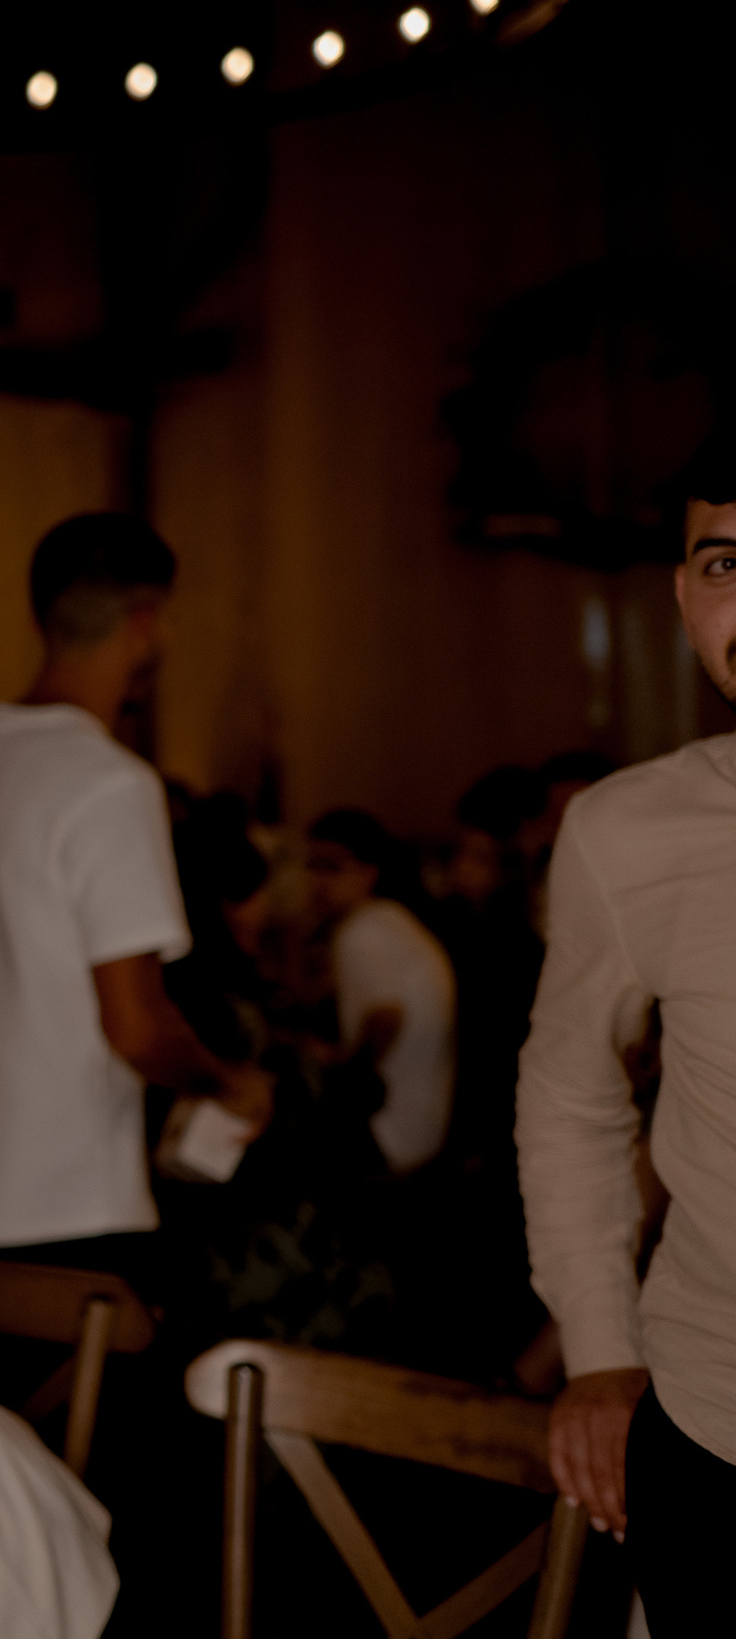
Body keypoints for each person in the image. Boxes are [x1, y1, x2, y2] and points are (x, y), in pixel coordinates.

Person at [0, 513, 271, 1277]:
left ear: (41, 617)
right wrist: (230, 1084)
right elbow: (134, 1026)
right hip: (64, 1205)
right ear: (146, 622)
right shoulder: (109, 782)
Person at [521, 482, 736, 1636]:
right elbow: (567, 1090)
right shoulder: (627, 831)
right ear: (680, 592)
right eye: (723, 564)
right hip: (710, 1431)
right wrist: (597, 1345)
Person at [304, 809, 459, 1178]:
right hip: (425, 1128)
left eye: (332, 867)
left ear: (369, 872)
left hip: (384, 1128)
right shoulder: (396, 922)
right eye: (312, 866)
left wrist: (343, 1073)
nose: (317, 881)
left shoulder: (362, 931)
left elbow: (386, 1016)